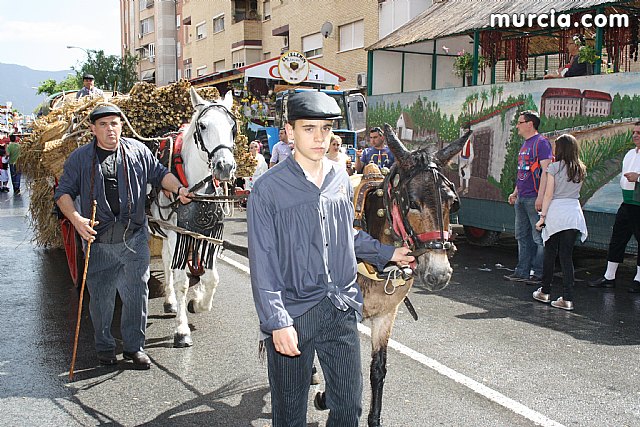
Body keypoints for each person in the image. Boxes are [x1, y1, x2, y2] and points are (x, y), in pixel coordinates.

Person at [247, 91, 414, 426]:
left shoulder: (339, 177)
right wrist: (277, 321)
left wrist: (387, 253)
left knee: (349, 407)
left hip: (339, 307)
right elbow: (262, 261)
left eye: (325, 128)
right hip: (294, 311)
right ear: (290, 131)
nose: (319, 137)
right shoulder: (267, 189)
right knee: (290, 415)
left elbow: (345, 235)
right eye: (309, 128)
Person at [54, 103, 192, 369]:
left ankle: (134, 347)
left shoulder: (138, 151)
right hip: (99, 242)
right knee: (102, 300)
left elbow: (161, 175)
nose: (110, 130)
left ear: (121, 126)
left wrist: (179, 190)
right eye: (103, 125)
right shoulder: (80, 158)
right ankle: (105, 346)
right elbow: (63, 194)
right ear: (93, 129)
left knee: (135, 295)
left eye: (114, 124)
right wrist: (77, 219)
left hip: (134, 239)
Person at [532, 134, 588, 311]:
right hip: (573, 213)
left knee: (550, 253)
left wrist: (542, 217)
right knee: (566, 256)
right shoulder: (580, 168)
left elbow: (549, 195)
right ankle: (568, 298)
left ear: (560, 149)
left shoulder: (554, 168)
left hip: (557, 212)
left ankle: (545, 291)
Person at [589, 122, 640, 293]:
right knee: (617, 239)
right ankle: (609, 276)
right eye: (634, 132)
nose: (635, 135)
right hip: (627, 202)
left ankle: (638, 279)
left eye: (639, 133)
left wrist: (638, 177)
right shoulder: (630, 154)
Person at [505, 110, 553, 284]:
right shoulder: (525, 144)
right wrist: (515, 192)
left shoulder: (542, 143)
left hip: (534, 198)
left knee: (538, 237)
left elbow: (546, 172)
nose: (517, 125)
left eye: (520, 122)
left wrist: (541, 198)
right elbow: (523, 172)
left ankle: (539, 273)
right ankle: (522, 271)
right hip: (522, 197)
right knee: (521, 236)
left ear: (530, 124)